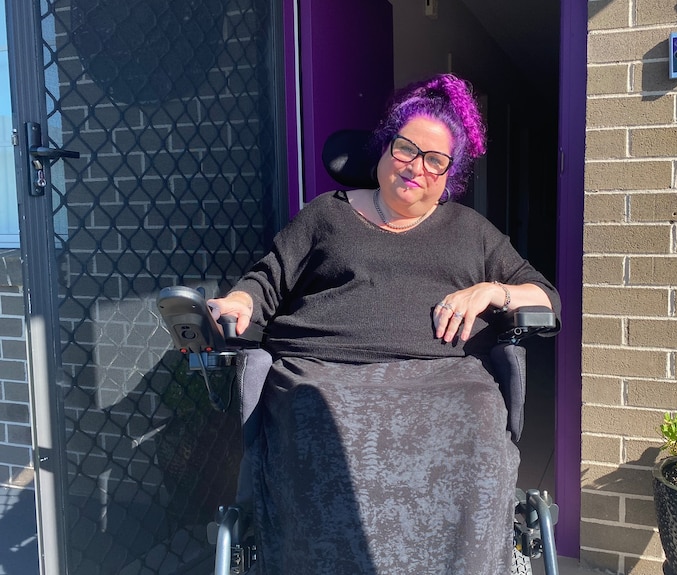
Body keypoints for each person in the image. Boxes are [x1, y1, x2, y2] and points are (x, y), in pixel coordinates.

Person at [209, 73, 561, 575]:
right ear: (382, 149)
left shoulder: (471, 231)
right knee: (315, 424)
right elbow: (267, 279)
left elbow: (547, 298)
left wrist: (494, 291)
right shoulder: (325, 216)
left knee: (478, 422)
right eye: (406, 149)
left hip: (445, 379)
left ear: (449, 175)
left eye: (435, 160)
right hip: (324, 371)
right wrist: (241, 299)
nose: (416, 167)